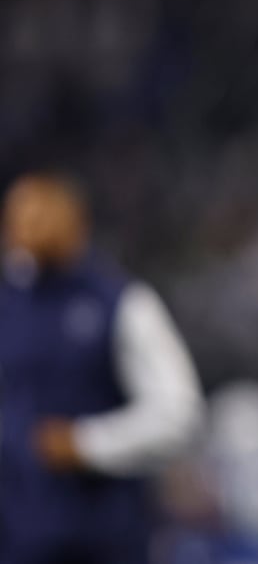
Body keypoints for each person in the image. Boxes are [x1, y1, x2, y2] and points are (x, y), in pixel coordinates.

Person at [0, 171, 205, 564]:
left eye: (40, 212)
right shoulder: (9, 304)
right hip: (17, 534)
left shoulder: (121, 301)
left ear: (75, 219)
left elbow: (180, 415)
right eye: (17, 215)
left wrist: (86, 443)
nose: (25, 224)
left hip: (103, 536)